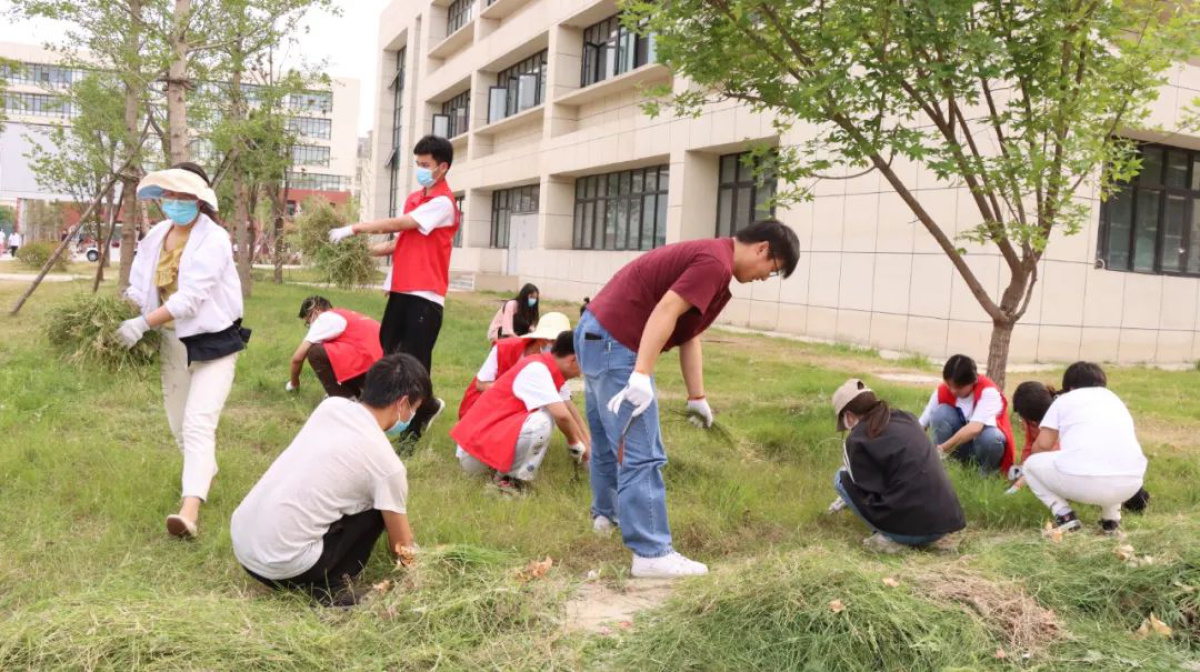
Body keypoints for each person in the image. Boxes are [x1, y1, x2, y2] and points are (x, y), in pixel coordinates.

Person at [575, 218, 800, 578]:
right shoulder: (715, 262)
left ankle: (607, 515)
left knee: (605, 438)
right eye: (772, 270)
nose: (764, 278)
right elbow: (665, 310)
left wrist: (697, 395)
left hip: (594, 333)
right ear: (762, 249)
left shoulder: (713, 260)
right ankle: (650, 553)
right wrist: (641, 374)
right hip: (616, 342)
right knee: (642, 452)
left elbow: (687, 333)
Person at [115, 162, 248, 539]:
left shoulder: (215, 239)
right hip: (171, 342)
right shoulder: (157, 234)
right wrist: (129, 308)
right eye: (169, 195)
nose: (174, 202)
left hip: (213, 343)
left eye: (183, 195)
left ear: (201, 199)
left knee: (197, 422)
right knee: (179, 429)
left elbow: (190, 299)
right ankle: (204, 471)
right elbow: (140, 284)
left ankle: (188, 513)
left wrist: (143, 323)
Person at [232, 354, 427, 607]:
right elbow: (402, 547)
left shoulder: (331, 407)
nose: (410, 416)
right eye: (413, 410)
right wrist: (420, 570)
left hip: (244, 547)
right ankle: (332, 588)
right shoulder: (387, 466)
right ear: (402, 404)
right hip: (284, 567)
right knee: (381, 507)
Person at [328, 134, 460, 439]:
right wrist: (358, 251)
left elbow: (400, 224)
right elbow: (400, 242)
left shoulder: (443, 204)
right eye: (417, 164)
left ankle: (412, 430)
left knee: (413, 364)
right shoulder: (416, 198)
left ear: (442, 167)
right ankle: (413, 411)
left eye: (425, 165)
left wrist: (356, 228)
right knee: (389, 356)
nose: (420, 169)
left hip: (424, 295)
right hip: (402, 291)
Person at [829, 379, 965, 553]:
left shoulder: (857, 439)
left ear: (848, 416)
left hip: (911, 532)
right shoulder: (906, 417)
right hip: (944, 524)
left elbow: (865, 488)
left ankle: (891, 538)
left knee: (840, 478)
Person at [451, 331, 589, 493]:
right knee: (542, 421)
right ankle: (510, 484)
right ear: (572, 360)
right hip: (474, 454)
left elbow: (570, 413)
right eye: (583, 366)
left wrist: (587, 448)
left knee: (545, 416)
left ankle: (503, 476)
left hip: (480, 447)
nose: (580, 374)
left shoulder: (544, 367)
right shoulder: (538, 369)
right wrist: (575, 444)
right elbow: (563, 416)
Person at [1021, 362, 1148, 535]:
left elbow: (1042, 445)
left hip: (1086, 482)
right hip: (1132, 483)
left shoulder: (1064, 400)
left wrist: (1042, 471)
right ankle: (1111, 520)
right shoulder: (1114, 399)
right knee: (1108, 458)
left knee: (1030, 465)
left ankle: (1065, 516)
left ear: (1069, 386)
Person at [458, 311, 573, 420]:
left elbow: (566, 404)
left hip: (511, 411)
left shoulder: (554, 363)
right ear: (542, 339)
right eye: (554, 342)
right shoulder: (504, 348)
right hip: (482, 408)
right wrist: (513, 392)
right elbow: (480, 384)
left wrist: (584, 438)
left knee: (548, 411)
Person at [918, 354, 1014, 476]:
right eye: (949, 385)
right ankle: (942, 467)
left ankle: (985, 474)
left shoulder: (988, 391)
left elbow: (974, 429)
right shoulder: (942, 391)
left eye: (958, 387)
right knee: (940, 413)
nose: (952, 391)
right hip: (958, 448)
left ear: (973, 381)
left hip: (982, 446)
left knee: (991, 437)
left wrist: (941, 449)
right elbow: (922, 423)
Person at [287, 295, 384, 399]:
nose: (310, 325)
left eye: (309, 321)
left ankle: (345, 402)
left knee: (315, 352)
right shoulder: (345, 315)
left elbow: (297, 358)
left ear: (316, 310)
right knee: (331, 352)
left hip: (375, 373)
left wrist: (294, 383)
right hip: (387, 370)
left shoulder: (324, 318)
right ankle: (357, 394)